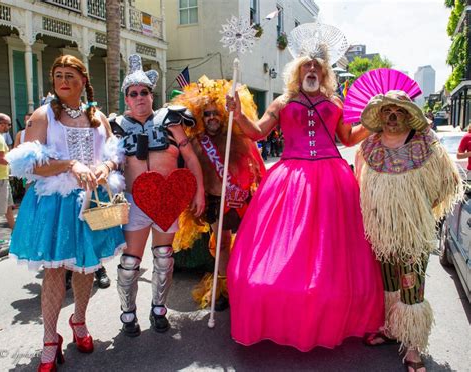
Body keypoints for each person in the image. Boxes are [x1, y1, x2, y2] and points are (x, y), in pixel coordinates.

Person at [225, 26, 384, 352]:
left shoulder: (334, 101)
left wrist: (372, 123)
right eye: (306, 66)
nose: (311, 70)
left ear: (324, 73)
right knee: (287, 249)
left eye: (317, 67)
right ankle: (283, 313)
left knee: (335, 252)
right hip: (291, 180)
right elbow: (257, 133)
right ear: (297, 70)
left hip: (333, 180)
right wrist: (238, 115)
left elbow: (348, 139)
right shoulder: (283, 102)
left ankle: (339, 313)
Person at [6, 55, 126, 371]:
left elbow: (115, 154)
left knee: (87, 268)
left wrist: (105, 166)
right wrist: (70, 164)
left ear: (83, 80)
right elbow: (26, 164)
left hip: (95, 200)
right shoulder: (43, 116)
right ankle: (49, 340)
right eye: (58, 75)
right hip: (55, 204)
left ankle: (80, 322)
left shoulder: (97, 115)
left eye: (70, 75)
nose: (63, 80)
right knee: (55, 270)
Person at [355, 90, 463, 372]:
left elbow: (448, 181)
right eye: (387, 113)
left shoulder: (425, 144)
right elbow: (360, 185)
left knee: (411, 286)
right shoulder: (369, 146)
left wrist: (421, 210)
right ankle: (392, 329)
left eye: (398, 112)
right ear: (379, 117)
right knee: (389, 282)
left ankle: (414, 346)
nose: (392, 118)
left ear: (408, 115)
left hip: (413, 233)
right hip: (382, 232)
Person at [111, 54, 204, 337]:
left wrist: (199, 190)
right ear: (126, 99)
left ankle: (159, 310)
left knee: (164, 256)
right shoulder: (115, 127)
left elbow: (190, 158)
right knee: (130, 262)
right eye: (133, 93)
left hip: (168, 200)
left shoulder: (172, 122)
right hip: (134, 202)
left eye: (144, 92)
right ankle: (128, 314)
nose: (139, 97)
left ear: (152, 95)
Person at [172, 76, 265, 311]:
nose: (212, 117)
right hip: (215, 201)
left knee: (247, 243)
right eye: (207, 114)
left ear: (223, 114)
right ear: (201, 117)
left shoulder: (238, 137)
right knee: (222, 244)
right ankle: (225, 289)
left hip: (240, 200)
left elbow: (256, 167)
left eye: (216, 113)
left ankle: (246, 281)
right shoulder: (195, 141)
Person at [0, 113, 15, 253]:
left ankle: (16, 235)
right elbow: (0, 159)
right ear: (1, 123)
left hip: (3, 178)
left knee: (8, 209)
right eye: (8, 124)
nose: (9, 127)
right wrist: (17, 162)